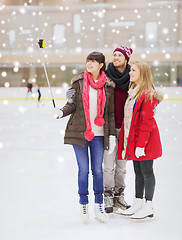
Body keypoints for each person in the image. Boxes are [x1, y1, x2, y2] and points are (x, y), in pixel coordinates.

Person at [55, 52, 116, 223]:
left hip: (99, 135)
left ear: (101, 65)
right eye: (88, 61)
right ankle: (83, 204)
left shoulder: (108, 86)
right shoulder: (78, 83)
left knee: (97, 171)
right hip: (80, 133)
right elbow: (72, 104)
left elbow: (110, 114)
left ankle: (98, 205)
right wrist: (61, 112)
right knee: (83, 171)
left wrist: (111, 135)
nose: (89, 64)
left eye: (93, 61)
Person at [117, 61, 163, 220]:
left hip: (145, 142)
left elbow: (146, 122)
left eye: (133, 70)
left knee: (147, 171)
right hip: (134, 141)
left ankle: (148, 206)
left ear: (142, 73)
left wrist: (141, 145)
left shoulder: (148, 94)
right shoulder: (133, 92)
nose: (130, 73)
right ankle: (137, 203)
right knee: (138, 172)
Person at [103, 45, 133, 213]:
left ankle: (118, 196)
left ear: (126, 58)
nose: (115, 58)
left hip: (125, 129)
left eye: (119, 55)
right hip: (109, 128)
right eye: (114, 55)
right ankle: (107, 195)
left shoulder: (132, 77)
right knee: (108, 166)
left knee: (121, 167)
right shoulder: (105, 76)